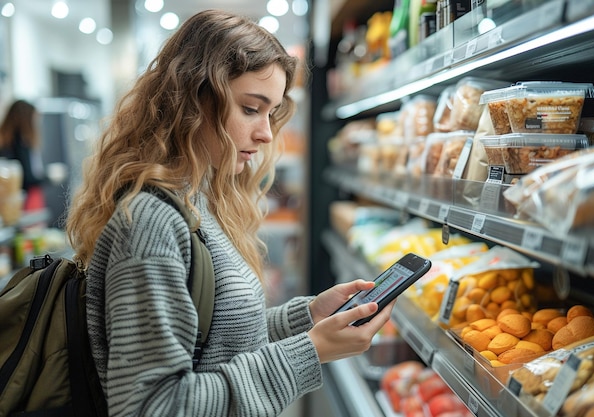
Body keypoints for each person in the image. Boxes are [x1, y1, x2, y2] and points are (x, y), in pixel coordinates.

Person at [65, 9, 395, 417]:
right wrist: (307, 352)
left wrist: (306, 319)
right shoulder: (152, 223)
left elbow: (214, 342)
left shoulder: (198, 197)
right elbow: (152, 406)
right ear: (194, 99)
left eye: (271, 112)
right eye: (251, 109)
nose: (267, 133)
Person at [0, 99, 46, 211]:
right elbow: (28, 178)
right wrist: (49, 177)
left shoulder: (4, 141)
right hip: (22, 202)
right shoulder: (22, 143)